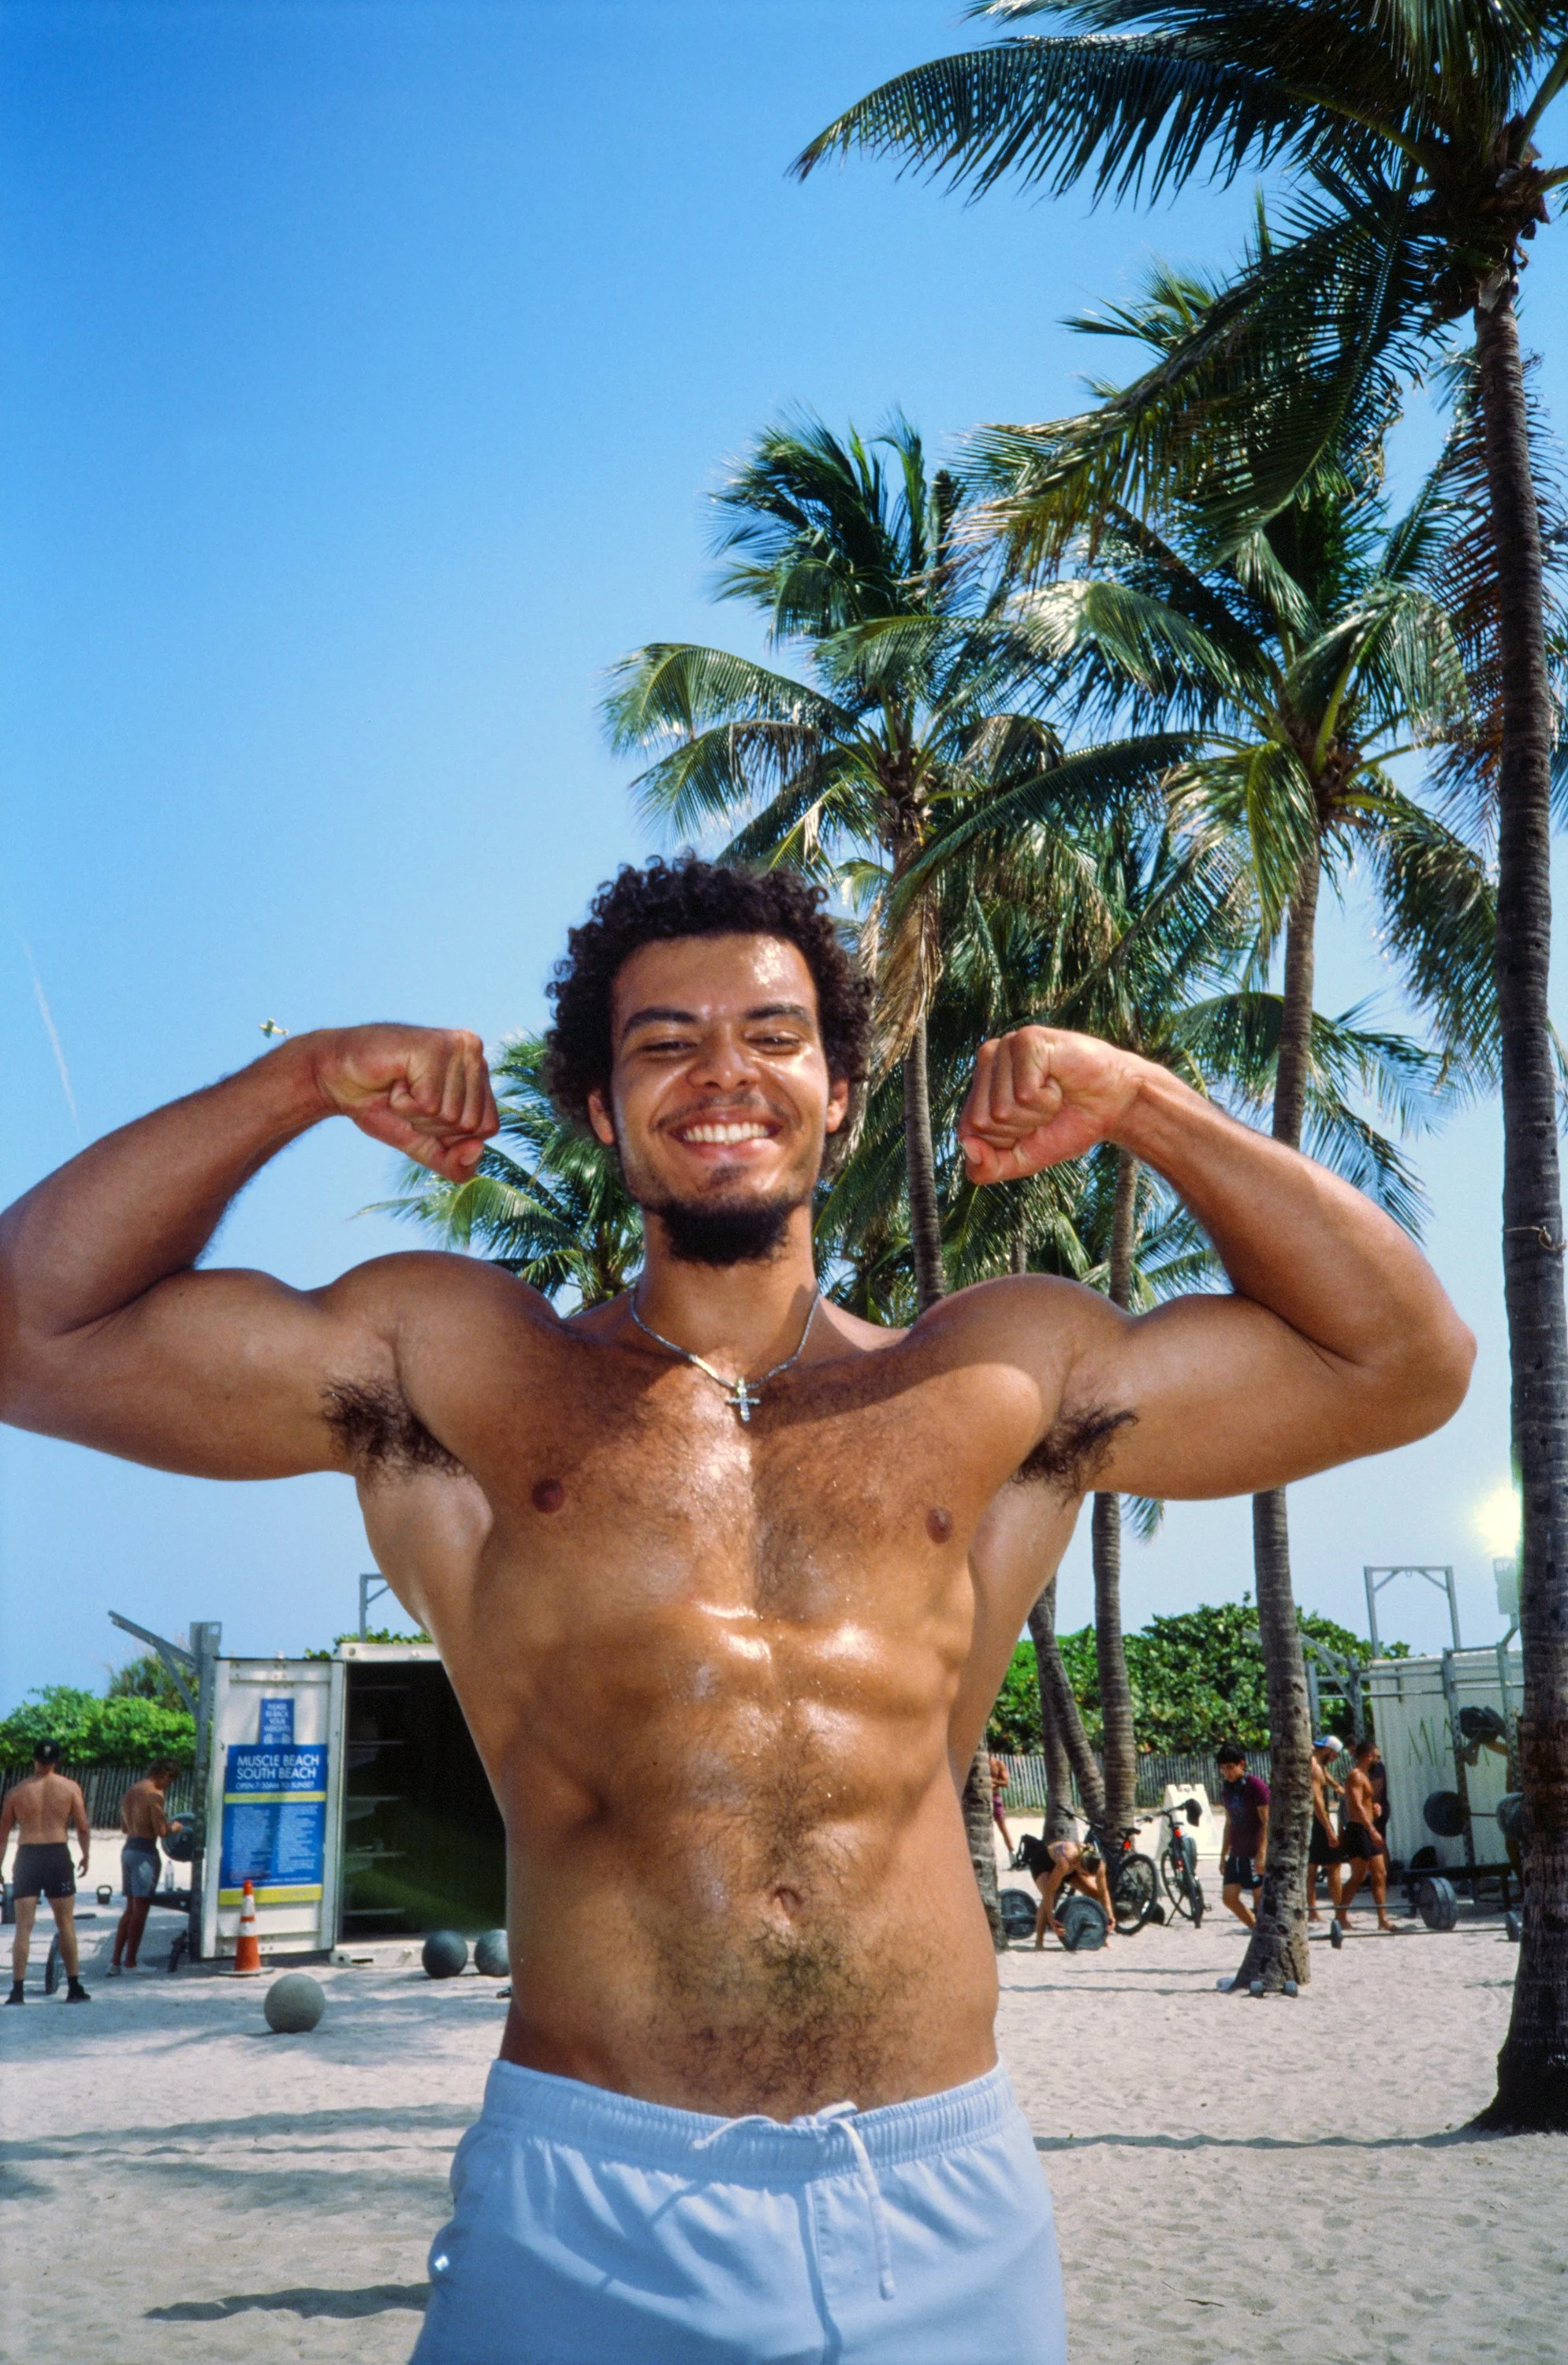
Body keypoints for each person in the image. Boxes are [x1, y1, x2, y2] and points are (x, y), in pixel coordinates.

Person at [0, 857, 1473, 2364]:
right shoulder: (463, 1372)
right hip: (587, 2200)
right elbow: (30, 1328)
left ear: (838, 1092)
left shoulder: (990, 1378)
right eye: (663, 1042)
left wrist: (1147, 1104)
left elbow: (1400, 1361)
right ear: (596, 1106)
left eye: (773, 1037)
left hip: (936, 2191)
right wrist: (299, 1081)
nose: (722, 1075)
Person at [0, 1742, 92, 2003]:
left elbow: (2, 1835)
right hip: (57, 1855)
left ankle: (17, 1991)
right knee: (65, 1924)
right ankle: (74, 1987)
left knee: (23, 1927)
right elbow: (83, 1827)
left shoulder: (16, 1792)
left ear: (34, 1760)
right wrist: (86, 1855)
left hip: (28, 1856)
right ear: (57, 1761)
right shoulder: (70, 1787)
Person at [110, 1760, 180, 1975]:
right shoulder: (154, 1795)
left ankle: (115, 1962)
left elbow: (123, 1827)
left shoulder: (131, 1791)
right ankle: (131, 1962)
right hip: (144, 1852)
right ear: (165, 1774)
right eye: (170, 1780)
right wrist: (175, 1827)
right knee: (140, 1910)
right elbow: (161, 1830)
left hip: (128, 1849)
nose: (168, 1785)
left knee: (130, 1909)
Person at [1339, 1736, 1395, 1932]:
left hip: (1368, 1827)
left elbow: (1365, 1803)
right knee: (1358, 1877)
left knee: (1380, 1874)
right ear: (1369, 1756)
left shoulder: (1365, 1776)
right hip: (1359, 1830)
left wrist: (1376, 1806)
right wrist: (1372, 1830)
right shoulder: (1355, 1775)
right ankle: (1340, 1917)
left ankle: (1383, 1920)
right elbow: (1355, 1806)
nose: (1379, 1760)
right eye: (1377, 1756)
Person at [1216, 1741, 1270, 1930]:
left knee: (1260, 1899)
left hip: (1255, 1850)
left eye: (1230, 1767)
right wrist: (1223, 1854)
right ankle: (1255, 1928)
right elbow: (1229, 1822)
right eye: (1223, 1769)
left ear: (1242, 1764)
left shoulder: (1256, 1786)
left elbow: (1266, 1821)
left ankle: (1261, 1931)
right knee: (1229, 1898)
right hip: (1237, 1851)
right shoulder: (1227, 1788)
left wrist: (1262, 1852)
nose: (1227, 1772)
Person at [1029, 1836, 1114, 1948]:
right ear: (1081, 1867)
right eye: (1086, 1874)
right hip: (1044, 1862)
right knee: (1051, 1896)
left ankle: (1100, 1937)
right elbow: (1050, 1892)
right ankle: (1039, 1942)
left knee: (1094, 1892)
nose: (1088, 1877)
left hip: (1072, 1866)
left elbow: (1103, 1892)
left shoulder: (1099, 1864)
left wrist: (1110, 1916)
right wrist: (1051, 1919)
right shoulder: (1066, 1860)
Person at [1308, 1736, 1345, 1925]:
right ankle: (1340, 1913)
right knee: (1334, 1866)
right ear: (1329, 1750)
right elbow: (1317, 1800)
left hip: (1315, 1822)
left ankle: (1313, 1911)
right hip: (1318, 1822)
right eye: (1335, 1755)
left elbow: (1326, 1775)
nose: (1335, 1759)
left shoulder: (1317, 1763)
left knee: (1312, 1867)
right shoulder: (1315, 1767)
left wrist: (1337, 1786)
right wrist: (1329, 1829)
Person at [989, 1752, 1015, 1855]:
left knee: (1002, 1827)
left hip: (994, 1797)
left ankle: (1012, 1854)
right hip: (980, 1799)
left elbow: (1006, 1782)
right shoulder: (976, 1763)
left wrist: (992, 1781)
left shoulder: (998, 1764)